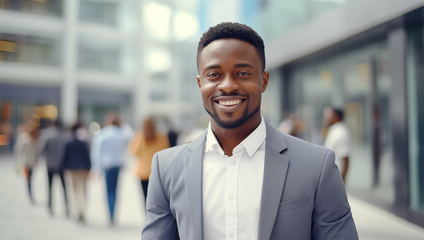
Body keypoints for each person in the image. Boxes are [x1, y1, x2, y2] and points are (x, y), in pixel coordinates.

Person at [142, 22, 358, 240]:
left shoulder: (316, 166)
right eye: (214, 75)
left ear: (263, 80)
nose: (227, 85)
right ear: (200, 84)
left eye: (243, 73)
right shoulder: (166, 169)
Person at [91, 111, 132, 225]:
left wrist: (96, 168)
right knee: (115, 191)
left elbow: (97, 152)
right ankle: (113, 214)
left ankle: (110, 214)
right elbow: (130, 134)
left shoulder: (103, 134)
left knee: (109, 191)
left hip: (107, 165)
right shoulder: (121, 133)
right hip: (118, 165)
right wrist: (123, 123)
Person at [130, 116, 170, 202]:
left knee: (146, 198)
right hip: (157, 172)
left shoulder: (139, 137)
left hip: (143, 172)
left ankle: (147, 214)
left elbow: (134, 152)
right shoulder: (161, 136)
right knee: (157, 200)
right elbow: (165, 151)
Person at [38, 120, 70, 216]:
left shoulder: (47, 134)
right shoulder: (65, 136)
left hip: (50, 164)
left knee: (50, 186)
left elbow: (41, 150)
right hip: (62, 165)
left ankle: (50, 206)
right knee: (64, 187)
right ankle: (67, 207)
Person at [62, 122, 92, 223]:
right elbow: (87, 157)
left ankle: (78, 210)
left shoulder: (68, 143)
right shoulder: (83, 143)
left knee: (74, 192)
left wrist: (64, 169)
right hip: (83, 169)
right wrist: (89, 168)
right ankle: (82, 210)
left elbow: (64, 158)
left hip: (72, 170)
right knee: (83, 191)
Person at [323, 106, 351, 183]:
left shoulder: (340, 132)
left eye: (328, 114)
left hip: (336, 181)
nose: (325, 118)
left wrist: (341, 183)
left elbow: (345, 160)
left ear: (336, 117)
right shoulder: (334, 130)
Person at [14, 120, 39, 204]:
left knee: (29, 179)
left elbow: (18, 150)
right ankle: (30, 195)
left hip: (28, 162)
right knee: (29, 178)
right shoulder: (29, 137)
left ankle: (30, 194)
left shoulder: (29, 138)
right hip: (29, 162)